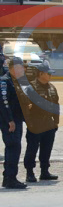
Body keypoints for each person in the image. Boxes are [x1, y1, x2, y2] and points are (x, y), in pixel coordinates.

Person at [23, 63, 60, 183]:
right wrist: (30, 123)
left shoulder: (52, 88)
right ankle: (30, 173)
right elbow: (25, 108)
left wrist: (56, 122)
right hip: (36, 123)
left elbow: (56, 105)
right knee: (32, 149)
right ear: (40, 74)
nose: (50, 76)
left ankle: (45, 171)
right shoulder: (30, 88)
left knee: (47, 149)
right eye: (48, 73)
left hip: (49, 123)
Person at [0, 57, 27, 189]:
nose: (23, 69)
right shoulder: (5, 82)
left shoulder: (16, 82)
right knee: (13, 147)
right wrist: (10, 120)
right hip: (10, 122)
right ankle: (10, 179)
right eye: (21, 66)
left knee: (14, 148)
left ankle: (8, 177)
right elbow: (4, 104)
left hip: (16, 120)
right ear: (13, 68)